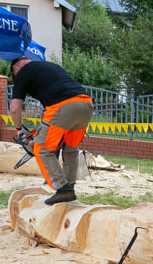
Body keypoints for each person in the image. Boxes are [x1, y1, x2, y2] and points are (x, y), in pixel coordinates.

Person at [8, 57, 94, 205]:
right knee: (70, 148)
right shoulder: (47, 67)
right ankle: (69, 185)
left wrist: (19, 129)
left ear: (14, 69)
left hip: (63, 106)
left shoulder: (22, 72)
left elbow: (15, 108)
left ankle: (63, 189)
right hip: (86, 104)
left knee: (41, 149)